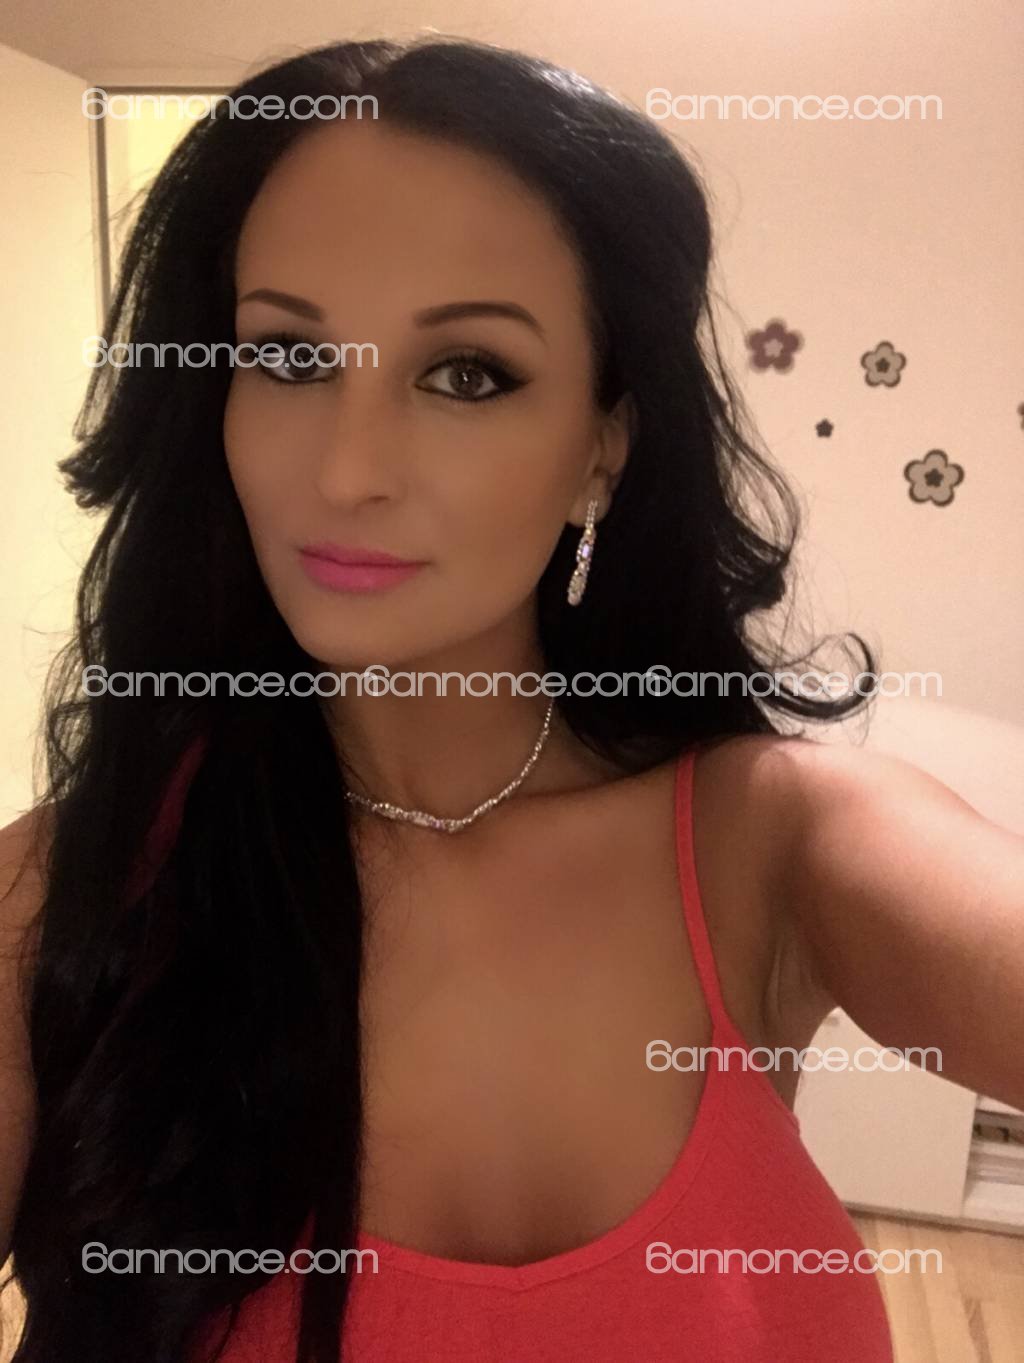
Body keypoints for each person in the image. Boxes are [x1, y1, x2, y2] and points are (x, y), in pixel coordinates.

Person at [1, 35, 1021, 1363]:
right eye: (291, 358)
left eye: (467, 374)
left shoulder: (779, 847)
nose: (349, 471)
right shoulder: (64, 900)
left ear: (603, 445)